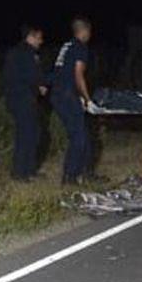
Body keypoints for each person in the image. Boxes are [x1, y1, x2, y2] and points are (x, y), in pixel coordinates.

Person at [50, 16, 96, 185]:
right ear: (84, 31)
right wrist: (87, 99)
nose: (90, 35)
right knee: (79, 137)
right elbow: (78, 75)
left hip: (59, 94)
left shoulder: (67, 46)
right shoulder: (80, 47)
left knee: (84, 134)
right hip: (67, 96)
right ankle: (70, 176)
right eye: (89, 31)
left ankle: (86, 172)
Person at [3, 24, 48, 181]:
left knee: (33, 133)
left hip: (19, 98)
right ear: (32, 36)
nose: (41, 41)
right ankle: (20, 173)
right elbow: (31, 75)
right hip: (23, 99)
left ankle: (29, 170)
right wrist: (41, 85)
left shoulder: (18, 52)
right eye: (39, 37)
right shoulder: (25, 53)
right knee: (26, 135)